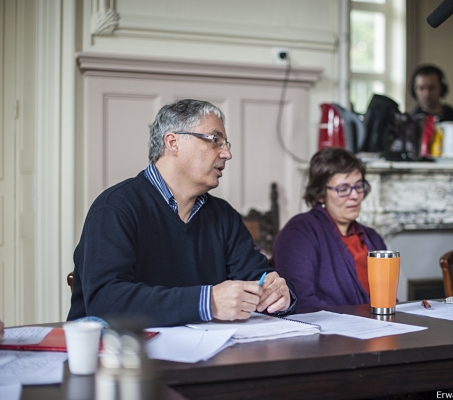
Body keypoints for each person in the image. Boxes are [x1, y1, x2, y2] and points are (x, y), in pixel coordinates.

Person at [68, 99, 295, 326]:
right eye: (215, 140)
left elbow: (260, 278)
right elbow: (106, 302)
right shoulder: (115, 208)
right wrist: (208, 302)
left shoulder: (223, 216)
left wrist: (280, 295)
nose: (227, 153)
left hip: (206, 354)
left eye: (226, 143)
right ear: (173, 142)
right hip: (118, 355)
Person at [272, 147, 386, 308]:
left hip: (378, 328)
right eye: (343, 189)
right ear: (320, 194)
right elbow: (301, 301)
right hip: (332, 331)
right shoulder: (299, 233)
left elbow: (388, 300)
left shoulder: (373, 237)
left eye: (359, 186)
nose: (354, 196)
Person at [410, 64, 453, 150]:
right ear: (414, 90)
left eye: (432, 87)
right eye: (421, 88)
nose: (427, 94)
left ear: (442, 88)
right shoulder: (409, 124)